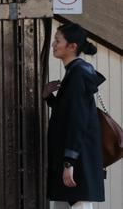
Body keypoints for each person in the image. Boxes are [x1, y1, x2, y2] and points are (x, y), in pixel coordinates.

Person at [43, 23, 105, 209]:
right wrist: (49, 98)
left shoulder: (77, 73)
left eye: (58, 40)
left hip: (77, 160)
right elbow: (69, 112)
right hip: (78, 157)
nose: (53, 44)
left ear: (72, 46)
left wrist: (69, 162)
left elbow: (77, 120)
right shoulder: (76, 71)